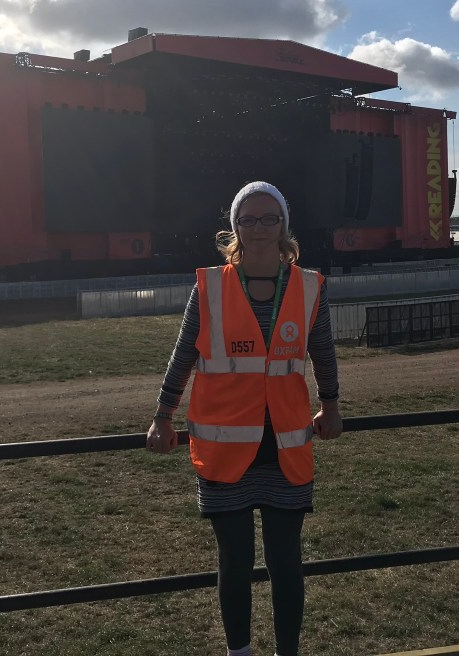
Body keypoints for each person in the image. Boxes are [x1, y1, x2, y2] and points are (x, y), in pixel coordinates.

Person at [146, 181, 343, 656]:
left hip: (286, 448)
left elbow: (323, 352)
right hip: (224, 451)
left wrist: (332, 406)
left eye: (268, 218)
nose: (258, 228)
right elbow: (182, 356)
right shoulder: (209, 287)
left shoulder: (309, 286)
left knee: (285, 561)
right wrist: (162, 416)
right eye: (247, 219)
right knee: (234, 561)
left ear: (284, 226)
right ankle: (240, 652)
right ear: (233, 228)